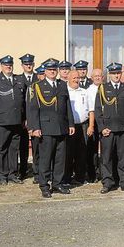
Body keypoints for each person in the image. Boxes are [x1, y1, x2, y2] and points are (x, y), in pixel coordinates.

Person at [27, 59, 75, 198]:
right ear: (45, 71)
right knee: (45, 158)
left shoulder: (62, 85)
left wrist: (71, 124)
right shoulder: (37, 86)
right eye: (50, 70)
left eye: (54, 70)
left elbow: (67, 107)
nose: (52, 72)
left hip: (61, 126)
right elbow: (33, 109)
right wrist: (35, 127)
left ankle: (57, 183)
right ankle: (44, 185)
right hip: (46, 127)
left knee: (60, 158)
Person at [94, 63, 124, 194]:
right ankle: (107, 183)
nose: (116, 75)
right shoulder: (103, 88)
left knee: (123, 157)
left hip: (123, 128)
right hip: (108, 129)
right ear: (109, 75)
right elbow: (97, 109)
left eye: (118, 73)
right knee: (106, 158)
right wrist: (102, 128)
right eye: (113, 73)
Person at [0, 55, 26, 185]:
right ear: (1, 66)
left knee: (14, 149)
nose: (8, 67)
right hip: (2, 121)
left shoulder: (19, 80)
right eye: (6, 65)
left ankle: (13, 174)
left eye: (10, 65)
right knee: (2, 149)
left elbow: (24, 102)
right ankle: (2, 175)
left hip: (17, 121)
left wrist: (25, 118)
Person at [65, 69, 94, 185]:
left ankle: (79, 177)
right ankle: (66, 177)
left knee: (82, 153)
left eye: (78, 78)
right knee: (68, 153)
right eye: (74, 78)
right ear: (68, 78)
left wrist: (91, 125)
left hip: (83, 125)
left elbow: (91, 110)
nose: (76, 80)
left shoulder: (85, 92)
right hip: (69, 127)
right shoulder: (65, 91)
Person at [16, 53, 37, 180]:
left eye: (30, 64)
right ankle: (23, 170)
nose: (28, 66)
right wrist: (24, 118)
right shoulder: (17, 79)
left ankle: (36, 171)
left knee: (37, 146)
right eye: (26, 64)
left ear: (33, 65)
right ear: (22, 65)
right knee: (22, 145)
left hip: (35, 118)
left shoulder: (39, 78)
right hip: (21, 119)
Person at [86, 68, 103, 182]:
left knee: (106, 149)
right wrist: (91, 125)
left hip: (106, 121)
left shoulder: (106, 88)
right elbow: (91, 109)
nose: (98, 77)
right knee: (93, 150)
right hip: (94, 122)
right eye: (95, 76)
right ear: (91, 78)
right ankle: (93, 174)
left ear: (103, 77)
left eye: (99, 76)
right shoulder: (89, 90)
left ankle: (104, 172)